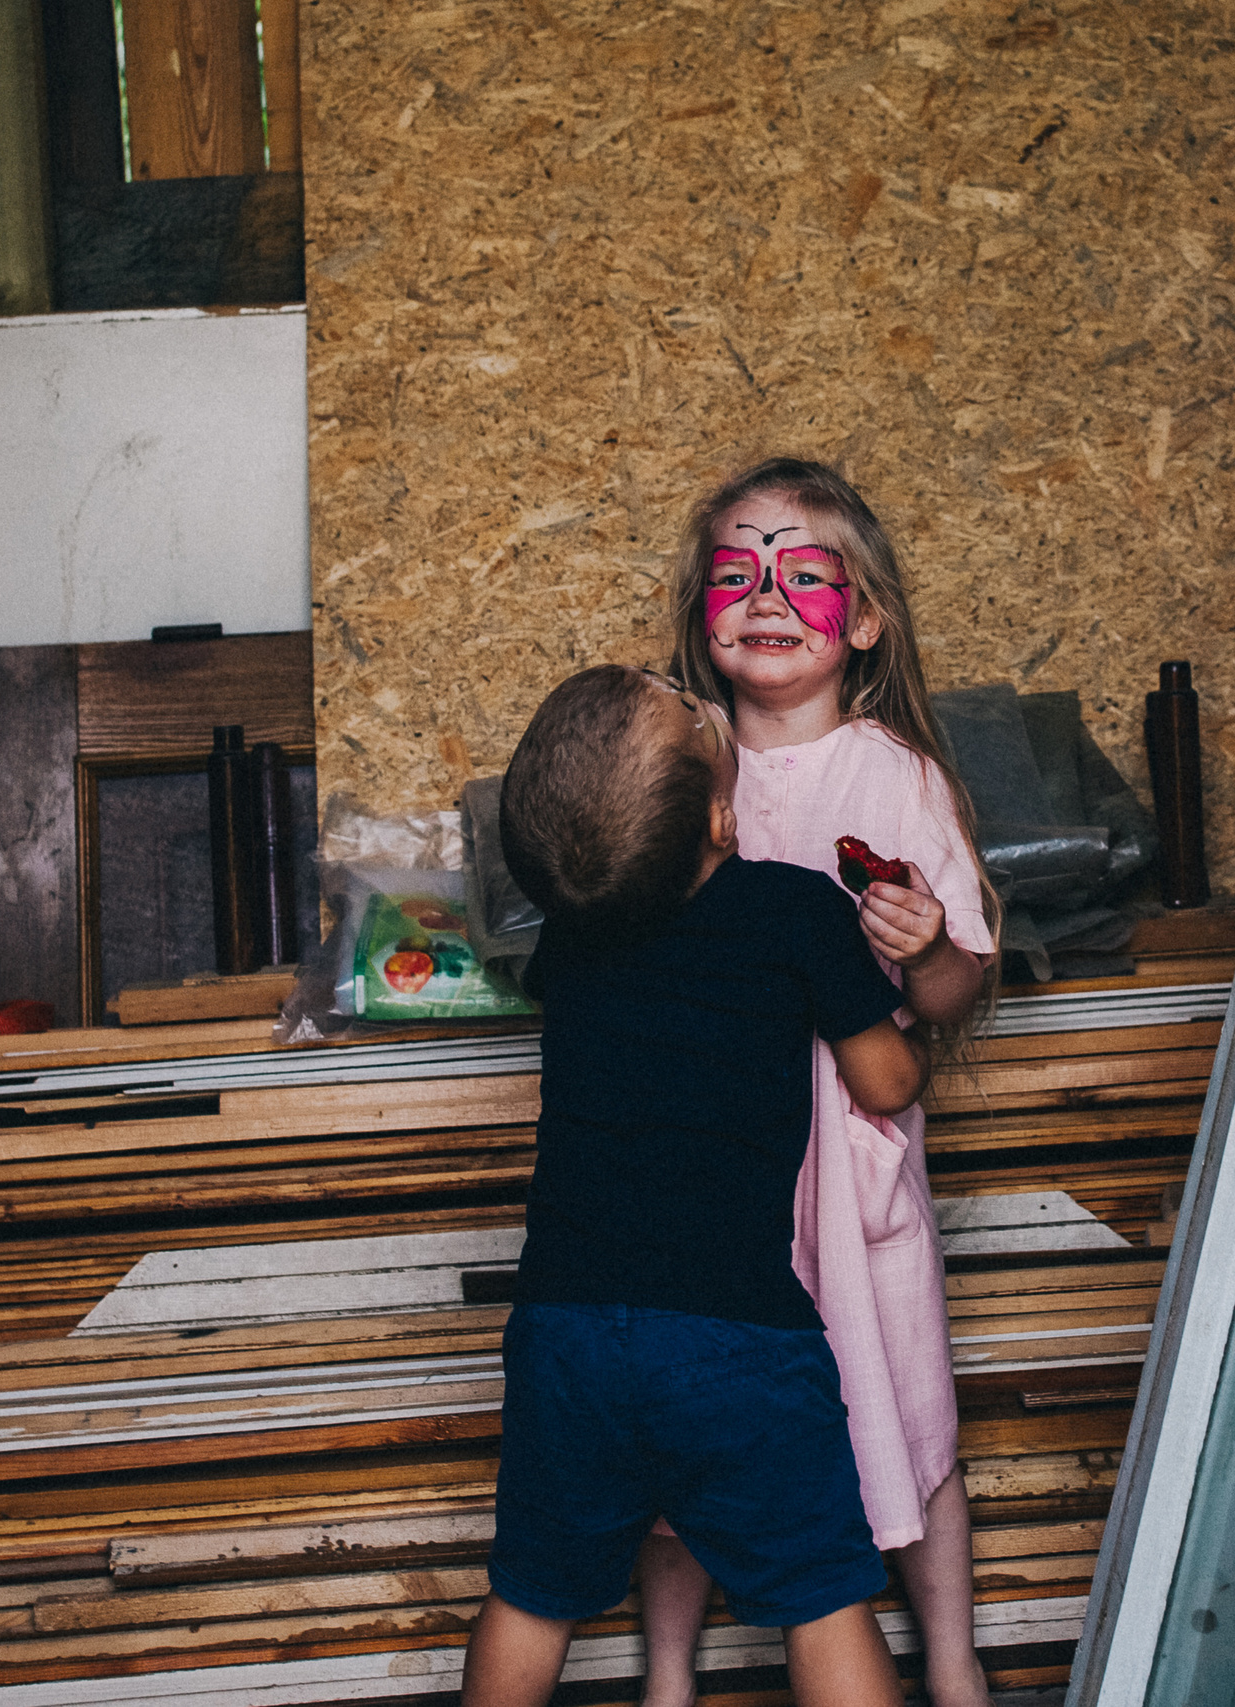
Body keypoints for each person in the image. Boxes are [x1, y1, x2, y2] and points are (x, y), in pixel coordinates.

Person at [460, 663, 923, 1707]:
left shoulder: (573, 940)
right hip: (734, 1336)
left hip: (563, 1333)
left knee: (533, 1593)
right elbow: (886, 1083)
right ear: (723, 817)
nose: (685, 683)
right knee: (821, 1596)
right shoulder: (794, 911)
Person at [632, 458, 999, 1707]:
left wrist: (928, 949)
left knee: (901, 1412)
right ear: (700, 612)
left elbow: (956, 992)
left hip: (850, 1164)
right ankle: (667, 1677)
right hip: (709, 1162)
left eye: (805, 573)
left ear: (868, 616)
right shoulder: (673, 771)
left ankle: (951, 1669)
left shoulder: (895, 777)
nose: (769, 594)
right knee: (689, 1426)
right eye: (738, 573)